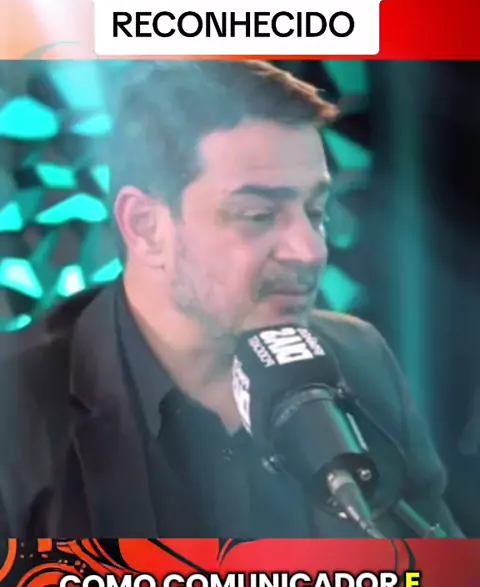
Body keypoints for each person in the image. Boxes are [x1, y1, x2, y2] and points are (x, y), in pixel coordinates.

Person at [0, 60, 463, 538]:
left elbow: (435, 570)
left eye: (315, 212)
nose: (309, 251)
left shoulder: (358, 356)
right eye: (258, 215)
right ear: (145, 226)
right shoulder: (15, 401)